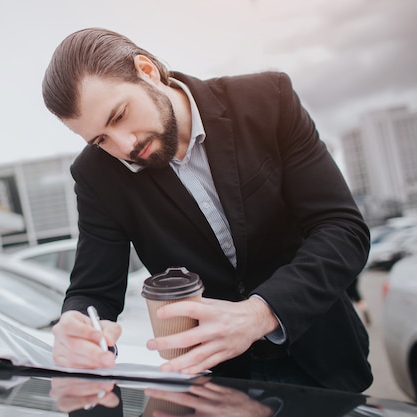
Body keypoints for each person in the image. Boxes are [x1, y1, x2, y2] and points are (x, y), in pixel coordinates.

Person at [41, 28, 372, 393]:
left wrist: (259, 313)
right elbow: (95, 291)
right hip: (215, 386)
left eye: (119, 116)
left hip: (324, 357)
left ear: (147, 70)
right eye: (100, 139)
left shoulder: (267, 99)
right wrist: (78, 326)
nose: (125, 146)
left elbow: (341, 229)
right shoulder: (95, 176)